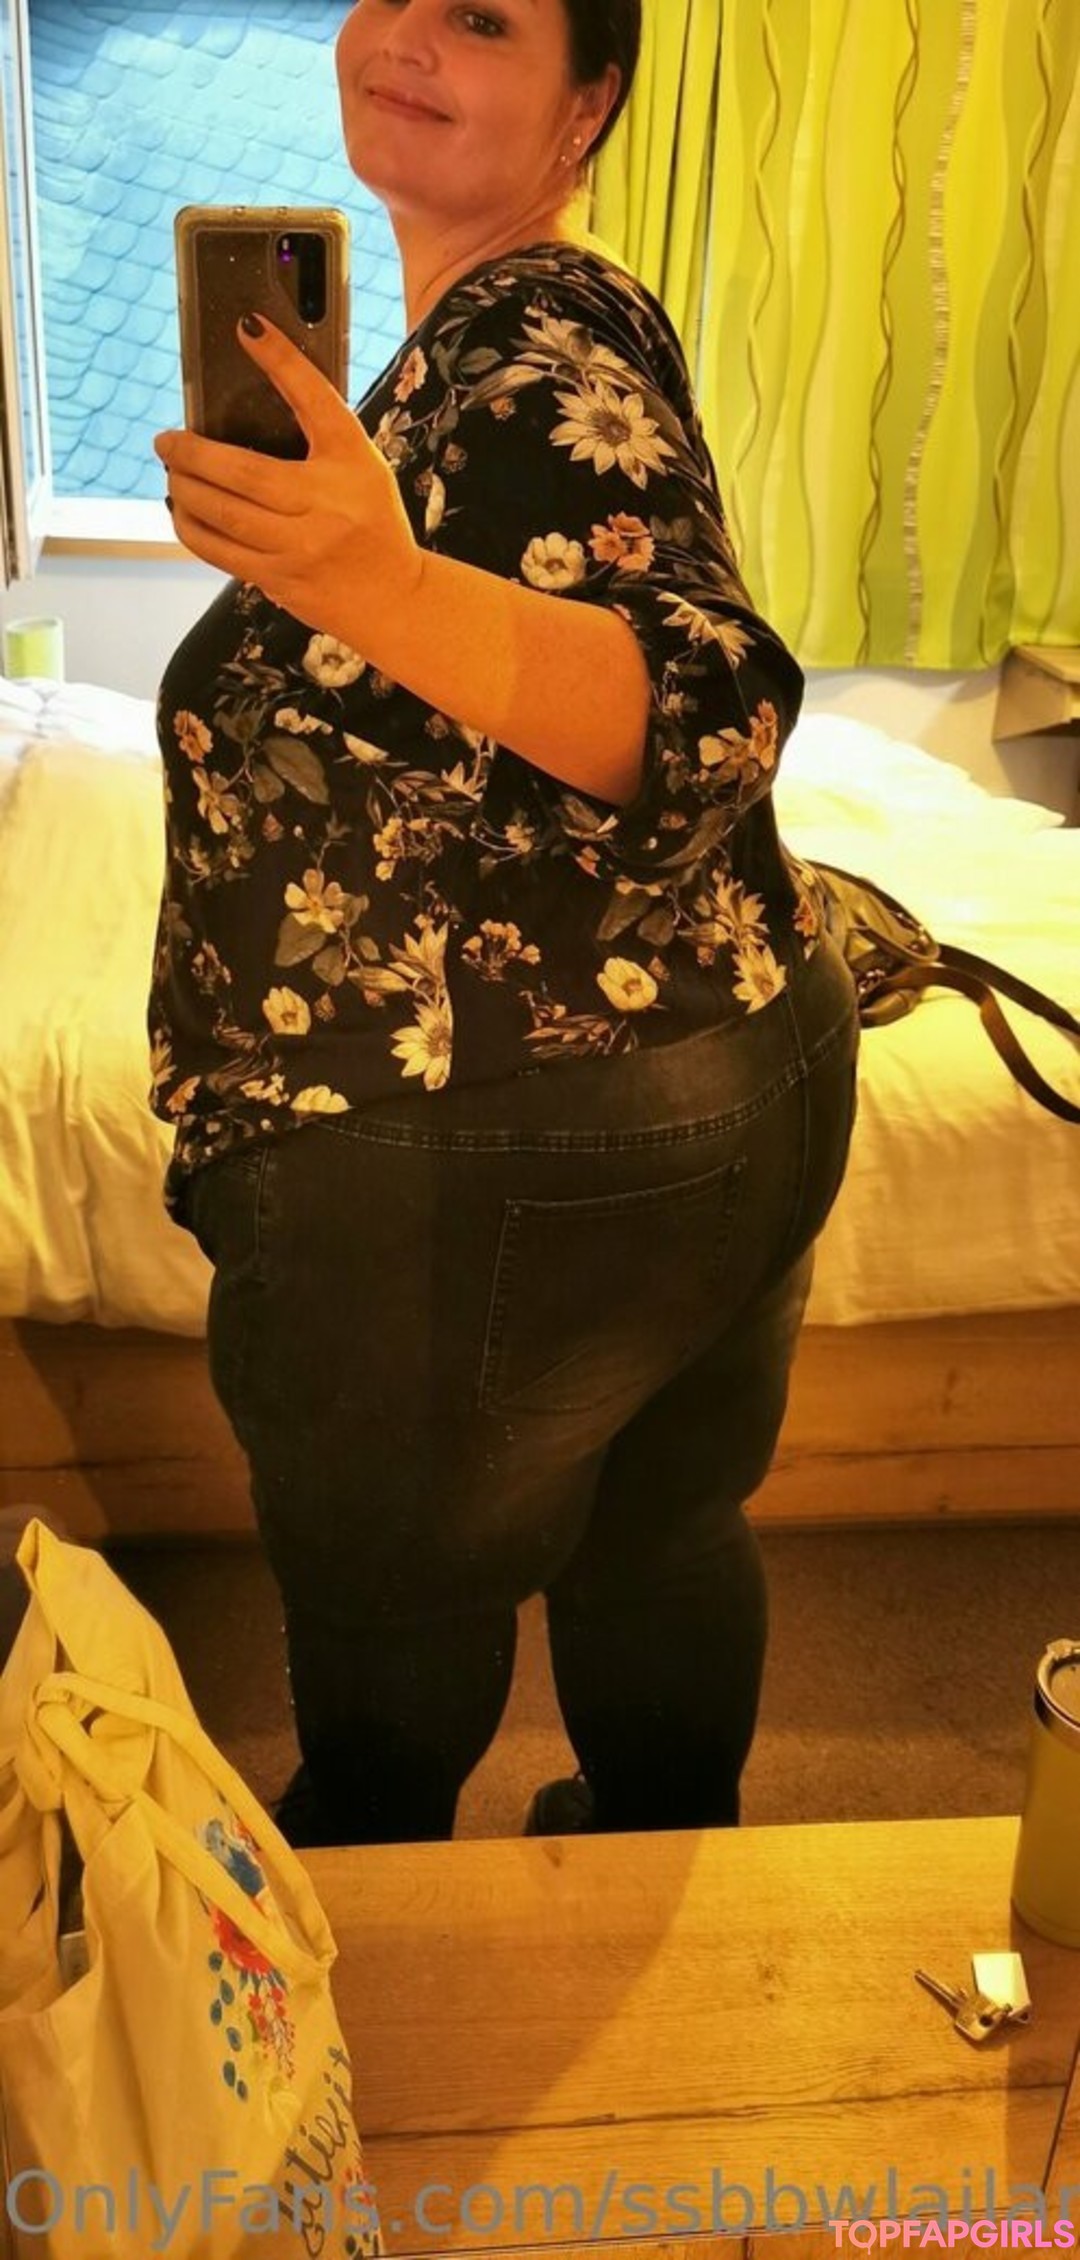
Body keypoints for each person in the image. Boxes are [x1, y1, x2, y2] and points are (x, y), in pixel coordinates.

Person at [150, 0, 859, 1847]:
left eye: (482, 17)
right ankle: (656, 1843)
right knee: (665, 1531)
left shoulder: (533, 340)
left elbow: (712, 708)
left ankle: (388, 1927)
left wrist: (376, 584)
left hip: (492, 1144)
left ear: (586, 104)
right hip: (739, 1056)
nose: (403, 37)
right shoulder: (537, 315)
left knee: (395, 1622)